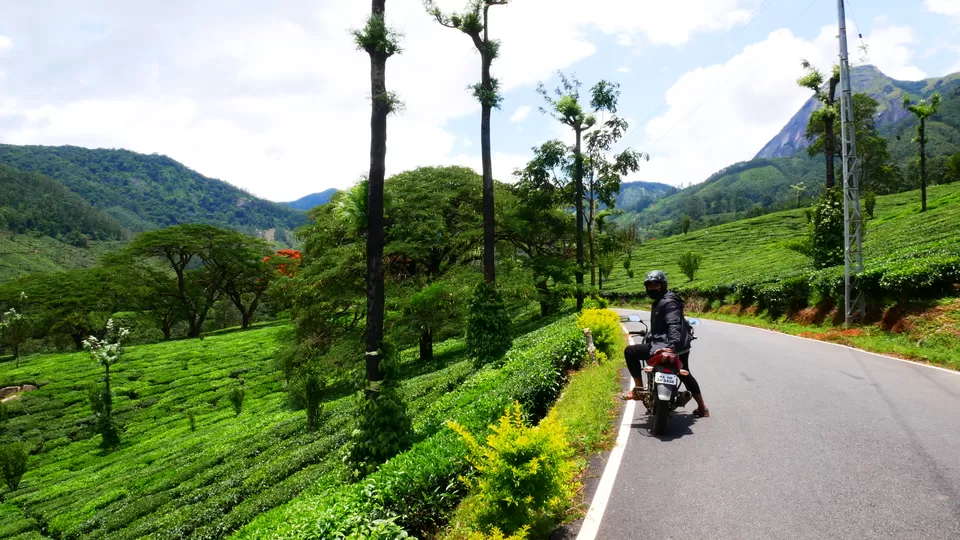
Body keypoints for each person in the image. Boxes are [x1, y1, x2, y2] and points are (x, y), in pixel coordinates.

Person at [621, 270, 710, 418]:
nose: (652, 288)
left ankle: (638, 389)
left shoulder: (668, 302)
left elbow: (673, 324)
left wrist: (671, 345)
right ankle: (702, 408)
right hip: (678, 345)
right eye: (649, 285)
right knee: (684, 373)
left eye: (655, 285)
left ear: (663, 285)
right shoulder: (664, 300)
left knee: (630, 351)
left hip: (670, 345)